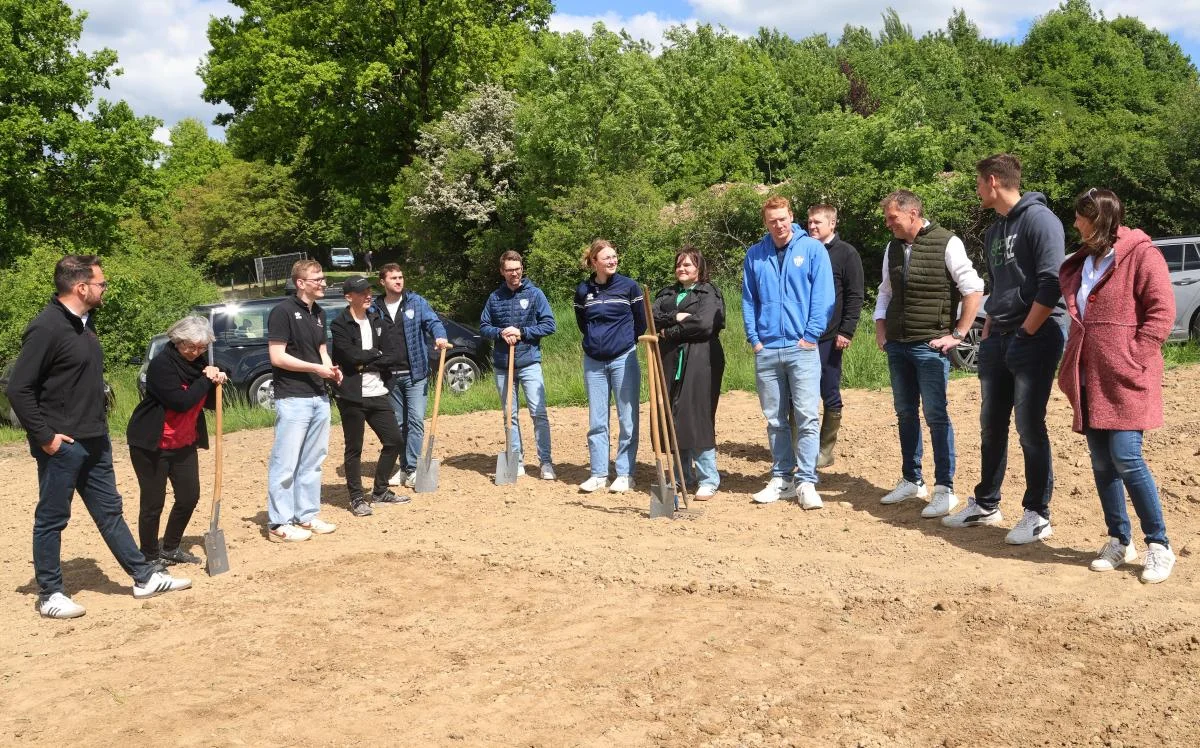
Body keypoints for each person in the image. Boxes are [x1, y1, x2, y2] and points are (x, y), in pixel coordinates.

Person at [6, 255, 190, 619]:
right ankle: (50, 594)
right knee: (52, 518)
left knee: (109, 512)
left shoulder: (85, 324)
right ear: (81, 287)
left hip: (95, 438)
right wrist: (46, 438)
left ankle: (143, 577)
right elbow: (18, 388)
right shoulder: (46, 327)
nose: (105, 289)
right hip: (62, 445)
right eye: (101, 284)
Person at [943, 155, 1067, 544]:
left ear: (993, 181)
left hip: (1036, 334)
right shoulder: (995, 230)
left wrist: (1027, 331)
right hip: (998, 335)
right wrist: (991, 326)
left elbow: (1052, 283)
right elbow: (998, 285)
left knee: (1029, 425)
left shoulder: (1041, 220)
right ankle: (986, 504)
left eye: (978, 183)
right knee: (991, 423)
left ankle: (1037, 514)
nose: (976, 190)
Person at [1058, 188, 1177, 583]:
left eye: (1081, 216)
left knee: (1127, 457)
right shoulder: (1086, 260)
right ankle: (1119, 539)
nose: (1075, 222)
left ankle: (1158, 544)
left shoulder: (1142, 254)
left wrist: (1135, 357)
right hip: (1090, 375)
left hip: (1126, 376)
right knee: (1101, 462)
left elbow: (1162, 312)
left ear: (1099, 219)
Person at [874, 190, 984, 518]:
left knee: (936, 416)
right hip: (898, 344)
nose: (888, 223)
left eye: (892, 217)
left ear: (913, 213)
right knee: (905, 413)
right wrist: (881, 329)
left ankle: (945, 489)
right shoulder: (892, 248)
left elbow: (973, 289)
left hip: (930, 345)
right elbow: (885, 291)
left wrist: (958, 334)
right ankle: (912, 480)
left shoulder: (947, 242)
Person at [743, 195, 834, 508]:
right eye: (772, 221)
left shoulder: (812, 249)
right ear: (765, 223)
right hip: (767, 349)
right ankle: (781, 478)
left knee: (807, 417)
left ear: (791, 217)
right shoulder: (755, 254)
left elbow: (824, 296)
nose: (778, 225)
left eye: (782, 219)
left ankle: (806, 481)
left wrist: (811, 336)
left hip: (801, 348)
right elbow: (749, 299)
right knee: (775, 420)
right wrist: (755, 339)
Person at [127, 315, 229, 566]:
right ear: (177, 341)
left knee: (188, 497)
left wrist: (219, 377)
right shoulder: (161, 365)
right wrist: (206, 380)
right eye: (190, 347)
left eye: (201, 347)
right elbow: (181, 402)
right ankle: (149, 556)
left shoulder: (199, 362)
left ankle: (170, 547)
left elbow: (207, 396)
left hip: (184, 441)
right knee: (153, 504)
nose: (195, 352)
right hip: (152, 443)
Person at [265, 259, 343, 542]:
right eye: (317, 279)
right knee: (285, 462)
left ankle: (306, 515)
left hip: (318, 395)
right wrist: (316, 368)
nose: (323, 283)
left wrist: (330, 370)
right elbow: (277, 357)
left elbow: (321, 350)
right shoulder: (282, 312)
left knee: (313, 460)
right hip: (292, 397)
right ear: (300, 283)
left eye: (323, 278)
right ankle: (279, 523)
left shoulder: (319, 312)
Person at [330, 276, 410, 516]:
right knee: (354, 448)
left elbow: (393, 355)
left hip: (378, 392)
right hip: (351, 395)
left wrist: (366, 361)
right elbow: (349, 356)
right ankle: (356, 498)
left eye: (369, 291)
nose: (368, 295)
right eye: (362, 292)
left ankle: (380, 491)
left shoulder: (377, 320)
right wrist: (374, 354)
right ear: (348, 297)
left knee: (394, 440)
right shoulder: (339, 324)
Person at [652, 248, 725, 498]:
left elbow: (704, 324)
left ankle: (708, 478)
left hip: (701, 359)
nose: (682, 269)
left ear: (699, 268)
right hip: (671, 360)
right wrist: (677, 315)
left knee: (697, 415)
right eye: (679, 265)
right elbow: (651, 317)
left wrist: (669, 331)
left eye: (688, 265)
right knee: (673, 415)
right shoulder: (667, 293)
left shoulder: (709, 293)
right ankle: (682, 475)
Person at [573, 239, 646, 493]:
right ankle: (598, 474)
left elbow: (640, 322)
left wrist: (624, 342)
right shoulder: (583, 290)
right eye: (607, 258)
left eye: (614, 256)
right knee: (597, 420)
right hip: (593, 361)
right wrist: (596, 342)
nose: (613, 261)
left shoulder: (629, 287)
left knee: (627, 418)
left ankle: (625, 474)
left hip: (623, 358)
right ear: (594, 262)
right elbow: (582, 322)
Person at [480, 250, 558, 480]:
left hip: (529, 362)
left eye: (517, 269)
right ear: (502, 271)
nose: (514, 273)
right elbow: (483, 326)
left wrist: (522, 332)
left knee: (538, 413)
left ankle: (545, 462)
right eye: (509, 270)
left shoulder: (535, 294)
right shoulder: (495, 297)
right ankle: (516, 461)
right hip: (503, 365)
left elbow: (549, 325)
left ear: (522, 269)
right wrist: (500, 332)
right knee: (509, 415)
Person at [372, 263, 449, 488]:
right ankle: (405, 467)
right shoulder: (375, 308)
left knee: (415, 421)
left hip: (416, 374)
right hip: (389, 376)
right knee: (399, 425)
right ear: (383, 282)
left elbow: (433, 322)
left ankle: (412, 468)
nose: (398, 281)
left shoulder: (416, 302)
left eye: (400, 277)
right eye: (393, 278)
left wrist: (440, 337)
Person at [806, 204, 865, 469]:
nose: (812, 226)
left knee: (828, 389)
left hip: (831, 336)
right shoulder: (804, 250)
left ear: (832, 224)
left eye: (817, 222)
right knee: (799, 392)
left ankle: (825, 450)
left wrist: (846, 330)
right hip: (802, 335)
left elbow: (855, 295)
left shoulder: (846, 253)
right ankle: (801, 448)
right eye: (809, 222)